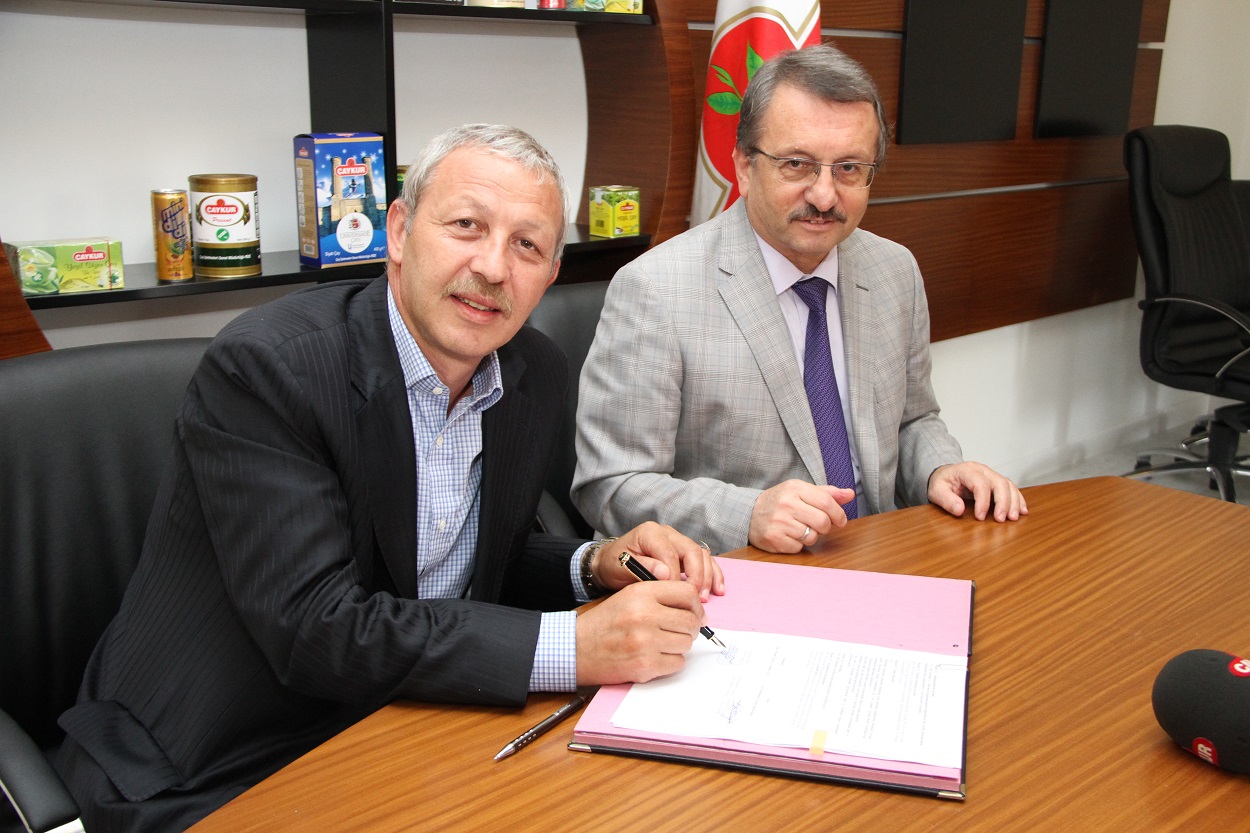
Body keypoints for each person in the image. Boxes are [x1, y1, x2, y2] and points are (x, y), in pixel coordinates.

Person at [56, 123, 724, 833]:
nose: (493, 266)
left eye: (527, 245)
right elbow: (314, 627)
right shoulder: (270, 369)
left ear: (550, 274)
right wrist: (572, 648)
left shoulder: (533, 370)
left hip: (402, 722)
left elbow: (462, 552)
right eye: (467, 226)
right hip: (223, 756)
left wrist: (595, 565)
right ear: (400, 232)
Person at [571, 46, 1027, 556]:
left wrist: (940, 468)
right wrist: (746, 514)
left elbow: (912, 421)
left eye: (849, 168)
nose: (825, 196)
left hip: (879, 557)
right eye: (797, 164)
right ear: (744, 166)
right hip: (735, 576)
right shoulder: (655, 290)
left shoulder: (894, 270)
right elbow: (611, 484)